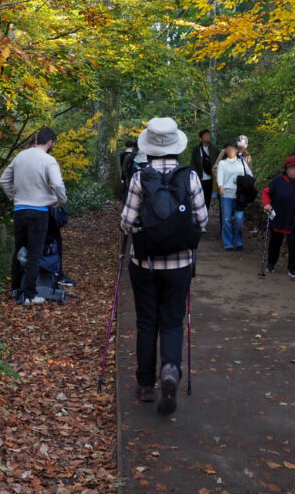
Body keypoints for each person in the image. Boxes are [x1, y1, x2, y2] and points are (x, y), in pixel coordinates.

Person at [120, 117, 208, 415]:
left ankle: (146, 384)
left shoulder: (139, 178)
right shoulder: (191, 177)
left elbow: (126, 223)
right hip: (180, 263)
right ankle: (170, 370)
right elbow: (203, 220)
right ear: (175, 145)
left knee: (147, 322)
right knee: (171, 321)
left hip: (144, 263)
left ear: (150, 147)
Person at [0, 127, 68, 305]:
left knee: (19, 250)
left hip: (20, 210)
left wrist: (13, 197)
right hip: (39, 212)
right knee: (35, 253)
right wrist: (60, 201)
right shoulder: (48, 160)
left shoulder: (20, 156)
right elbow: (57, 184)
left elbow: (4, 180)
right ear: (50, 142)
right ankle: (29, 294)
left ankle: (15, 288)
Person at [262, 155, 295, 279]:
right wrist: (266, 204)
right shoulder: (278, 181)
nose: (293, 171)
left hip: (294, 219)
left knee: (294, 244)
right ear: (286, 169)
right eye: (291, 168)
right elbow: (266, 192)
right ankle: (271, 263)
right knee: (275, 242)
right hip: (279, 217)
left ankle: (293, 269)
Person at [216, 140, 250, 251]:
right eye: (227, 149)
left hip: (239, 195)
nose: (229, 150)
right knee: (226, 219)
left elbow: (250, 175)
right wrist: (220, 186)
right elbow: (219, 175)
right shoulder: (222, 163)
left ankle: (238, 241)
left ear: (236, 149)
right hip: (226, 194)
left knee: (239, 218)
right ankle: (228, 243)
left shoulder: (242, 162)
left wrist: (243, 182)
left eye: (231, 148)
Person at [189, 129, 219, 210]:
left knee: (208, 197)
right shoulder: (196, 149)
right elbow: (193, 163)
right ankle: (199, 214)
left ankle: (206, 214)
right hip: (200, 178)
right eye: (205, 135)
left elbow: (218, 161)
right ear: (201, 138)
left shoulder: (214, 149)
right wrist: (195, 175)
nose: (208, 137)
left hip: (210, 178)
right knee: (199, 197)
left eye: (208, 135)